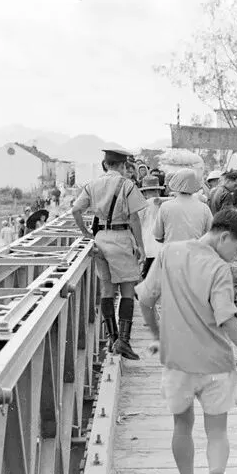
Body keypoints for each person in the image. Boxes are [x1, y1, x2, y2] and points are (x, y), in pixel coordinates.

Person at [136, 209, 237, 474]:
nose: (235, 257)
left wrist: (158, 336)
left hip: (178, 362)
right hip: (216, 364)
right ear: (224, 237)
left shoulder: (168, 253)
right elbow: (227, 319)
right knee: (217, 431)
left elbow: (145, 300)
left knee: (182, 425)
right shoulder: (219, 269)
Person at [72, 148, 147, 361]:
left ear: (105, 165)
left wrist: (86, 233)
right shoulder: (127, 185)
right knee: (127, 290)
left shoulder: (92, 185)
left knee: (107, 290)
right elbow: (134, 219)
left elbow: (75, 210)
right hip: (121, 238)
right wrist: (141, 246)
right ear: (122, 166)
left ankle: (113, 338)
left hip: (100, 239)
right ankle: (123, 341)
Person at [153, 168, 213, 245]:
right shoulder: (204, 208)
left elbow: (158, 236)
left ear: (175, 183)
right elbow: (211, 235)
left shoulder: (165, 207)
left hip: (171, 250)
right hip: (195, 250)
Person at [138, 175, 165, 279]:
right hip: (163, 247)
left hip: (148, 247)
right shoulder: (166, 203)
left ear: (144, 192)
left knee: (147, 278)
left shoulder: (142, 205)